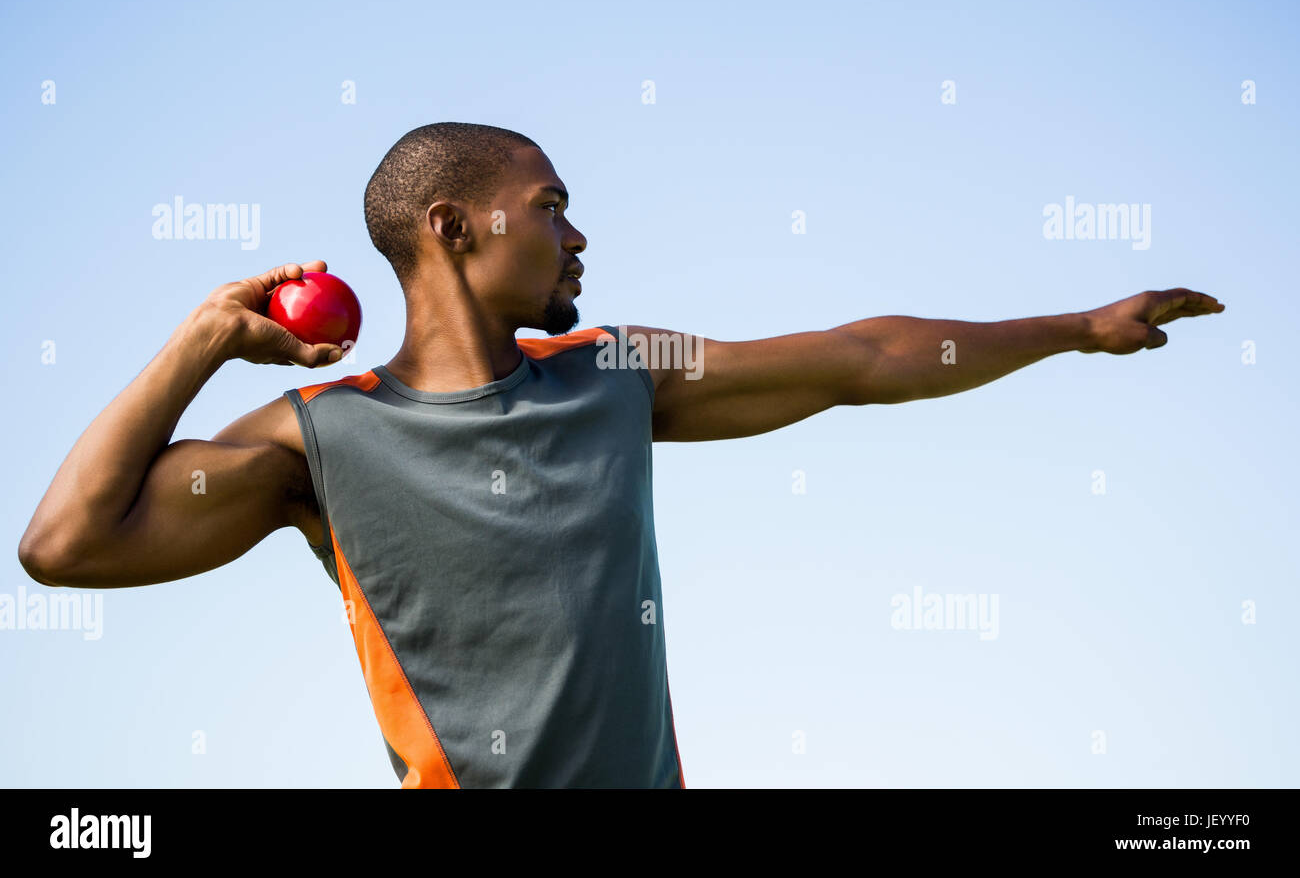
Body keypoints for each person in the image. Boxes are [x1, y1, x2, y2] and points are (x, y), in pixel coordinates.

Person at [17, 122, 1226, 788]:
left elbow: (860, 356)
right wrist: (199, 344)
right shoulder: (317, 440)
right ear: (452, 228)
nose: (575, 231)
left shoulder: (613, 373)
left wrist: (1074, 328)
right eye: (548, 204)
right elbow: (61, 546)